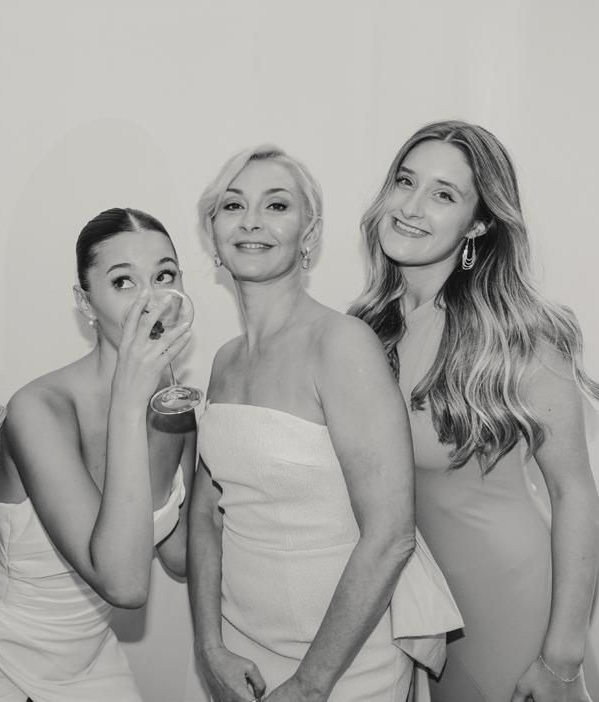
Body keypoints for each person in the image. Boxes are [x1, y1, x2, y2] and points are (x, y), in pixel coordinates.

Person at [349, 120, 599, 702]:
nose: (411, 207)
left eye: (443, 194)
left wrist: (562, 658)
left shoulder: (516, 336)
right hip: (411, 618)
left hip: (507, 614)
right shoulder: (362, 332)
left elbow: (574, 493)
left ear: (478, 222)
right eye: (405, 181)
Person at [186, 146, 461, 702]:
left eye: (276, 205)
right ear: (213, 231)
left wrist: (311, 685)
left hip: (343, 667)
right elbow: (206, 516)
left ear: (308, 233)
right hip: (242, 656)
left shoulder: (342, 345)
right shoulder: (224, 361)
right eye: (233, 205)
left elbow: (391, 536)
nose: (251, 221)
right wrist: (210, 647)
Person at [0, 207, 197, 702]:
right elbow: (124, 585)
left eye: (164, 276)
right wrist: (129, 403)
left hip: (88, 660)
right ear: (85, 302)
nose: (152, 301)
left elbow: (180, 555)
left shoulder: (174, 408)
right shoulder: (39, 409)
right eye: (123, 282)